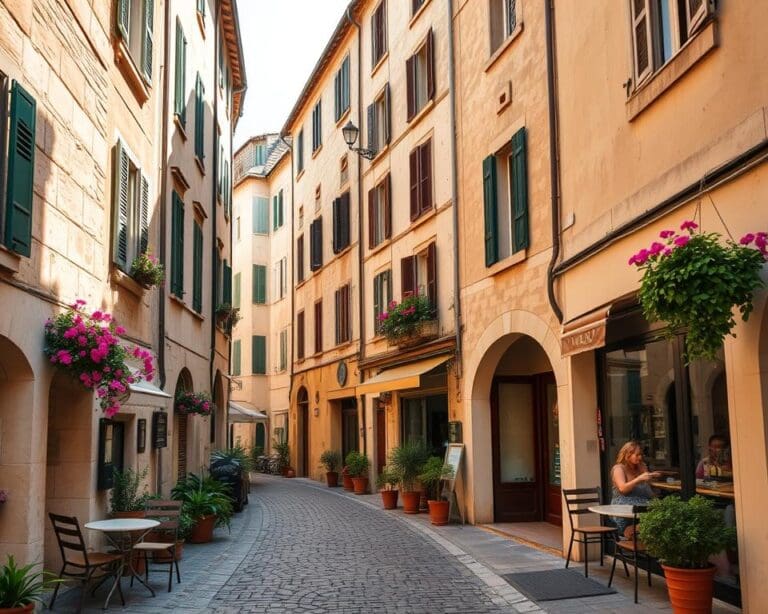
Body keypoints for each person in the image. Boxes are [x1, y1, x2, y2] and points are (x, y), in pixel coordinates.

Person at [610, 441, 660, 537]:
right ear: (627, 455)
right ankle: (630, 530)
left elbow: (646, 489)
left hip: (643, 504)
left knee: (663, 510)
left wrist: (650, 477)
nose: (640, 458)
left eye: (641, 455)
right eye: (637, 455)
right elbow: (622, 489)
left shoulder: (641, 467)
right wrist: (639, 478)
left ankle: (635, 530)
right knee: (655, 514)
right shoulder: (619, 468)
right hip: (624, 507)